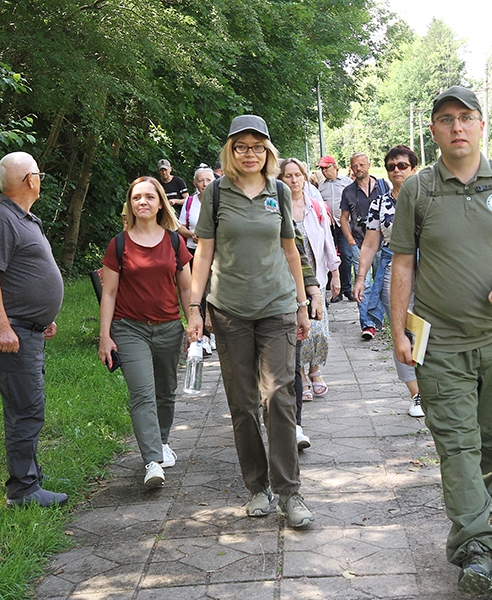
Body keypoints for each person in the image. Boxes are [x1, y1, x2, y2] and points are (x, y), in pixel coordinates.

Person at [389, 86, 492, 595]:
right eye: (446, 119)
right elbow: (404, 264)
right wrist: (398, 332)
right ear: (432, 130)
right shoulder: (418, 191)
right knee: (458, 445)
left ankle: (471, 512)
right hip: (441, 344)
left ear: (481, 125)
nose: (457, 127)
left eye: (467, 117)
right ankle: (477, 549)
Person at [186, 115, 317, 528]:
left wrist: (301, 303)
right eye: (241, 146)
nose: (249, 153)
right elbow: (203, 254)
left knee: (279, 396)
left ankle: (289, 493)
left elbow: (291, 251)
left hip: (277, 307)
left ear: (268, 151)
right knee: (242, 405)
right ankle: (256, 487)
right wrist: (195, 307)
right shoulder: (216, 196)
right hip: (229, 313)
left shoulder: (278, 190)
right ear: (230, 150)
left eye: (257, 147)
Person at [0, 152, 66, 508]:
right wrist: (3, 327)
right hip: (11, 336)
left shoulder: (24, 219)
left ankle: (31, 479)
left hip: (27, 330)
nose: (40, 180)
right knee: (25, 410)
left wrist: (41, 317)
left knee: (28, 407)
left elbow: (21, 276)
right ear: (30, 180)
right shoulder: (1, 219)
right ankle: (23, 490)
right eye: (39, 174)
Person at [98, 177, 192, 487]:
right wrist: (105, 335)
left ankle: (162, 442)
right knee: (142, 394)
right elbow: (108, 293)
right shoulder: (119, 244)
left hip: (168, 329)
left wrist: (194, 321)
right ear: (130, 204)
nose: (143, 202)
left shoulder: (175, 242)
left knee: (165, 393)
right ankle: (152, 461)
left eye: (150, 197)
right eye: (137, 197)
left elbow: (187, 287)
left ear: (160, 203)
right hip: (129, 329)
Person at [354, 146, 423, 418]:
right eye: (392, 166)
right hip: (393, 269)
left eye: (402, 165)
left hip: (431, 270)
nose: (397, 170)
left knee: (432, 329)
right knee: (402, 330)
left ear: (414, 168)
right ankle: (417, 393)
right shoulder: (379, 203)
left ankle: (436, 386)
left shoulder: (427, 197)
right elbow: (371, 244)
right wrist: (360, 278)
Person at [280, 157, 340, 406]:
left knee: (318, 330)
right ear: (280, 179)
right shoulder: (277, 208)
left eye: (298, 175)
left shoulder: (315, 206)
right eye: (288, 176)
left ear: (304, 177)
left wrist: (335, 273)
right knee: (298, 329)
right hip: (288, 281)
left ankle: (316, 369)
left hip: (317, 278)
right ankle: (302, 375)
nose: (294, 180)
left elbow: (327, 240)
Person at [340, 153, 391, 340]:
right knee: (364, 283)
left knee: (382, 283)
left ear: (369, 165)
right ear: (351, 168)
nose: (358, 168)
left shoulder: (383, 186)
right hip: (359, 243)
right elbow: (343, 219)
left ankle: (377, 318)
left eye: (362, 164)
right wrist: (351, 241)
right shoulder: (348, 191)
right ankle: (367, 323)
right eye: (355, 166)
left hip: (382, 244)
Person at [178, 165, 217, 352]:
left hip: (218, 252)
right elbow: (180, 226)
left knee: (215, 290)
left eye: (208, 180)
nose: (205, 184)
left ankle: (217, 330)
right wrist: (191, 235)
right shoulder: (190, 202)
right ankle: (203, 336)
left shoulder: (221, 199)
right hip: (194, 251)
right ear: (195, 184)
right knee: (198, 291)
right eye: (201, 180)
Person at [316, 155, 352, 302]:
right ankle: (335, 291)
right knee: (328, 256)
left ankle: (347, 288)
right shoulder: (320, 186)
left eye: (326, 167)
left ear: (334, 166)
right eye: (322, 169)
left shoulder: (346, 182)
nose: (324, 171)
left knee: (345, 255)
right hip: (328, 226)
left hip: (344, 224)